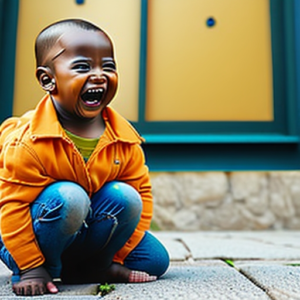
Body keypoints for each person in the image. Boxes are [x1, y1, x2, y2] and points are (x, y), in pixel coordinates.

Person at [0, 18, 169, 296]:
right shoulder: (29, 143)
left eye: (108, 66)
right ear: (48, 79)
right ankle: (49, 268)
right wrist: (31, 266)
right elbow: (14, 208)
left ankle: (93, 266)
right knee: (70, 196)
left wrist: (114, 257)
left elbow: (142, 194)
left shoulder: (123, 138)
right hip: (39, 226)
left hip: (87, 227)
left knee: (153, 256)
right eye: (82, 66)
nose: (100, 75)